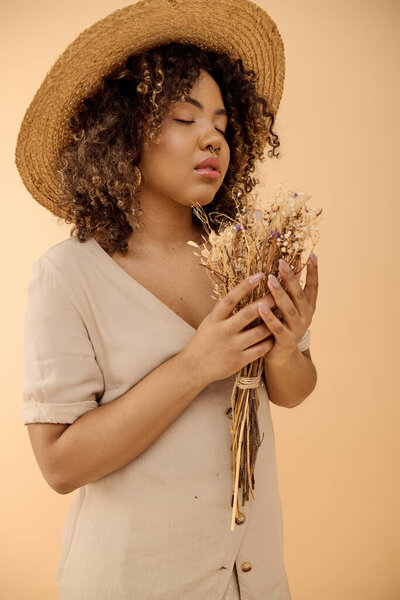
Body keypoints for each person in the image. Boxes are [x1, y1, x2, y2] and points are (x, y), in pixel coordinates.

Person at [15, 2, 317, 599]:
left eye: (225, 124)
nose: (213, 136)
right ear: (123, 129)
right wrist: (195, 366)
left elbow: (295, 389)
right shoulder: (69, 276)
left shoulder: (247, 252)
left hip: (253, 581)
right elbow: (59, 465)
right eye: (184, 116)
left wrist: (284, 350)